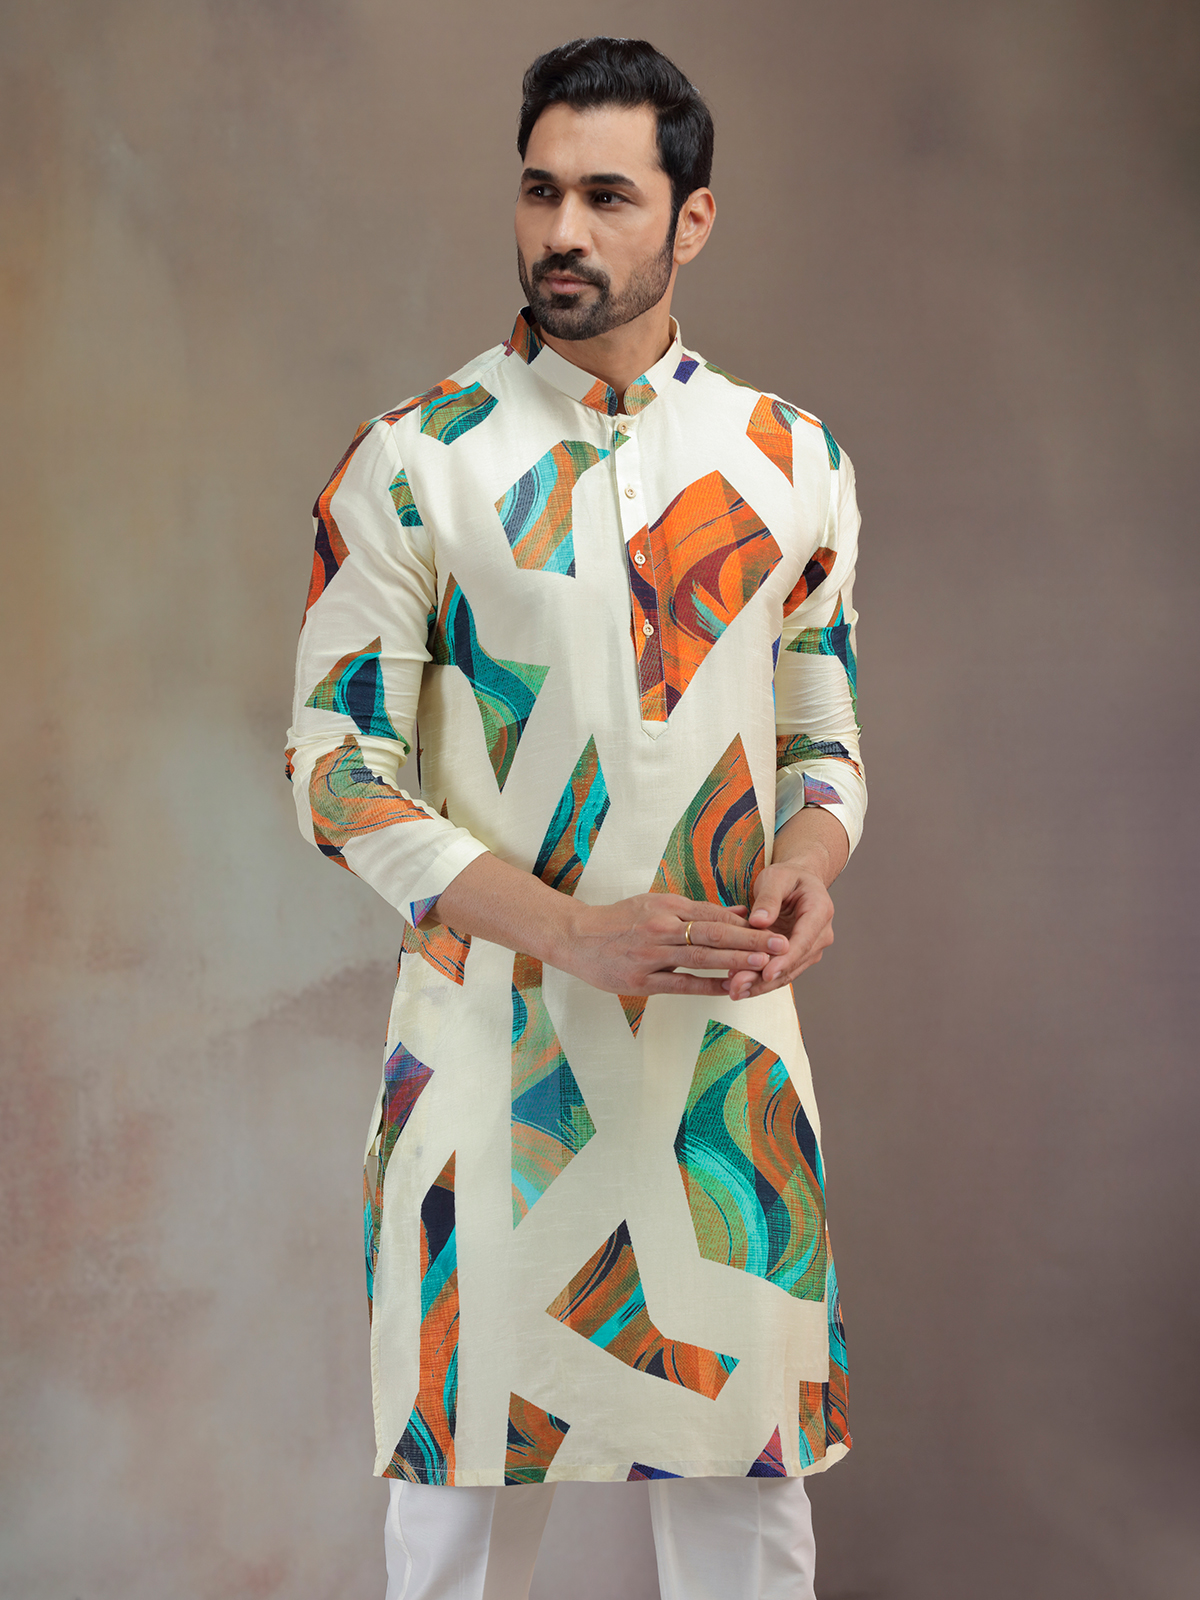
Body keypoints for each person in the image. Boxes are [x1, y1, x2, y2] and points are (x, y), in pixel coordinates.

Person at [286, 35, 865, 1600]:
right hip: (490, 1062)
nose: (562, 231)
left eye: (608, 196)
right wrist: (572, 935)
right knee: (457, 1515)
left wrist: (809, 863)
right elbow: (335, 769)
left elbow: (820, 737)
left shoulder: (791, 463)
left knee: (749, 1510)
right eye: (540, 191)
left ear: (693, 219)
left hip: (723, 1065)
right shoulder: (417, 464)